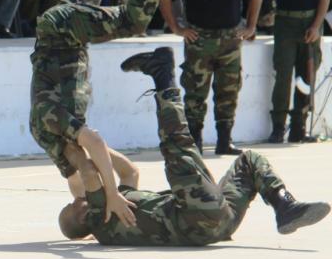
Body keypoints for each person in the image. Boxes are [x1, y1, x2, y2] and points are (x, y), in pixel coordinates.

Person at [0, 0, 213, 226]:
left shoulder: (49, 123)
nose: (92, 180)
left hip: (60, 32)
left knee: (132, 20)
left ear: (76, 201)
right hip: (72, 35)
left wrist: (110, 195)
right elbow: (129, 171)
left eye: (86, 204)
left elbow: (89, 155)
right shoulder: (72, 144)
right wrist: (123, 202)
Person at [58, 46, 330, 245]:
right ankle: (163, 75)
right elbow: (90, 172)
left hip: (218, 221)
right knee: (178, 146)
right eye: (72, 206)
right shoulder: (99, 216)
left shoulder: (114, 204)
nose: (76, 199)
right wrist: (71, 147)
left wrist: (97, 146)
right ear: (81, 219)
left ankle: (285, 206)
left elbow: (129, 172)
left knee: (250, 162)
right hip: (193, 216)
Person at [160, 0, 264, 155]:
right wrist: (177, 27)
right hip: (199, 41)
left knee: (228, 92)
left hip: (230, 41)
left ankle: (224, 141)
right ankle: (195, 142)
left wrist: (251, 26)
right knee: (195, 93)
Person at [258, 0, 330, 144]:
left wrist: (316, 26)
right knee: (284, 76)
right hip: (285, 23)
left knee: (305, 76)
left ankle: (299, 125)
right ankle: (279, 127)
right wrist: (252, 24)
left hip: (308, 23)